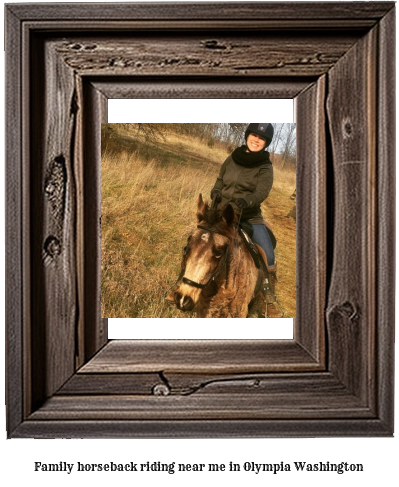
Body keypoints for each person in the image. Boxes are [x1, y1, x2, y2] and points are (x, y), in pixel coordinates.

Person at [210, 123, 281, 317]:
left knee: (268, 254)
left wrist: (246, 201)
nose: (256, 139)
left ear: (266, 142)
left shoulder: (265, 166)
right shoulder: (233, 157)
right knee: (199, 242)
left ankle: (268, 299)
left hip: (248, 215)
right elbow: (220, 178)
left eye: (262, 138)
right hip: (221, 212)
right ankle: (184, 282)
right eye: (254, 135)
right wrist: (216, 191)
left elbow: (262, 192)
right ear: (247, 135)